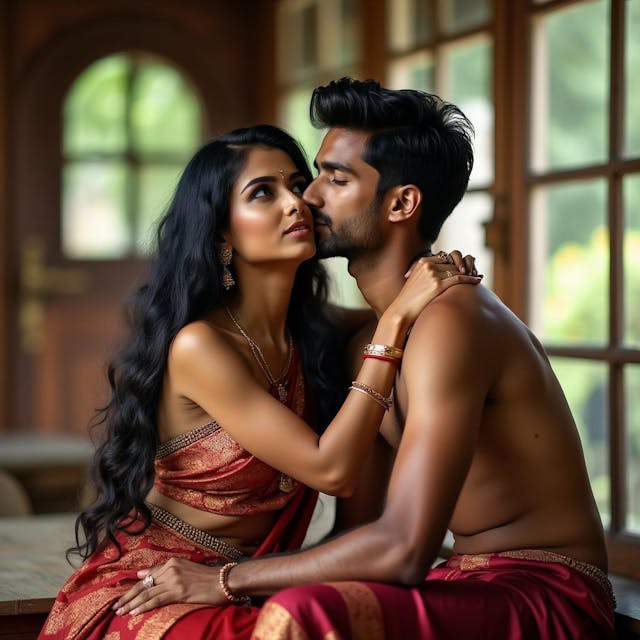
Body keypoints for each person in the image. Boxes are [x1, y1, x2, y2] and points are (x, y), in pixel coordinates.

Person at [113, 79, 616, 640]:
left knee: (297, 614)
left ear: (401, 203)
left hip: (546, 590)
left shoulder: (452, 323)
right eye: (316, 175)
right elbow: (367, 529)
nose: (308, 199)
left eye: (335, 179)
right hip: (456, 578)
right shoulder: (367, 344)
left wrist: (229, 580)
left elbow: (401, 550)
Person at [38, 124, 480, 640]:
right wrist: (397, 318)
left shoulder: (315, 334)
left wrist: (430, 286)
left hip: (248, 584)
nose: (296, 204)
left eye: (297, 185)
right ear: (223, 233)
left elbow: (383, 323)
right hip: (161, 585)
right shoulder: (200, 347)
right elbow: (331, 470)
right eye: (262, 193)